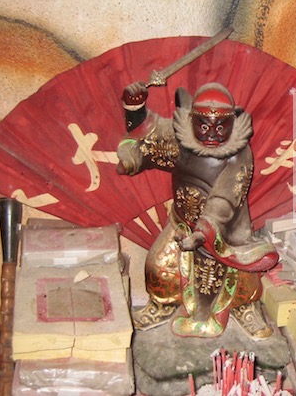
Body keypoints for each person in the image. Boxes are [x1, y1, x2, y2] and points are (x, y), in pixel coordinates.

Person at [117, 81, 278, 339]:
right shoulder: (179, 136)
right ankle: (161, 304)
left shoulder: (239, 154)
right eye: (203, 125)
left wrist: (204, 232)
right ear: (192, 119)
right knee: (158, 267)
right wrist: (134, 108)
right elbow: (146, 133)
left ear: (233, 121)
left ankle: (244, 308)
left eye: (220, 126)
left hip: (225, 232)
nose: (211, 134)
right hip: (182, 226)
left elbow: (226, 197)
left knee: (245, 278)